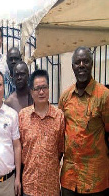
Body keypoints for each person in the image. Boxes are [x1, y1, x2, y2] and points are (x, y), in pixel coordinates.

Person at [59, 46, 109, 196]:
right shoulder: (66, 97)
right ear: (72, 67)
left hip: (95, 179)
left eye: (85, 61)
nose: (81, 65)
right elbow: (61, 134)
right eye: (77, 62)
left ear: (92, 64)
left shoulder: (104, 96)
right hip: (69, 178)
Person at [19, 69, 64, 196]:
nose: (41, 92)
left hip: (51, 187)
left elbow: (60, 150)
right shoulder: (23, 116)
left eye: (44, 87)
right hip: (29, 186)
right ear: (31, 91)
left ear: (49, 89)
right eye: (37, 88)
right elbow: (20, 147)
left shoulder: (59, 116)